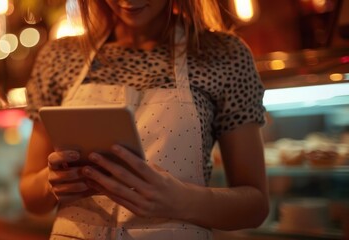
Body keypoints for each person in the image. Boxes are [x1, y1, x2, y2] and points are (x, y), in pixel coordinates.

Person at [19, 0, 269, 239]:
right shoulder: (60, 57)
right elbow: (31, 197)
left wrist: (180, 200)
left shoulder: (224, 55)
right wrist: (51, 182)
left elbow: (255, 206)